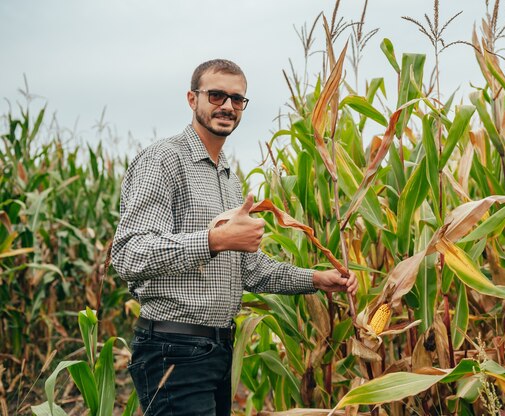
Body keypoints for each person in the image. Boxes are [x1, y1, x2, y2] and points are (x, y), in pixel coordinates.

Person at [111, 59, 357, 416]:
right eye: (216, 95)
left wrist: (317, 279)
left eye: (236, 99)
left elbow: (249, 270)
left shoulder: (230, 177)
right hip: (173, 348)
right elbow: (130, 255)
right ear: (192, 99)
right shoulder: (163, 161)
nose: (227, 106)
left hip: (218, 350)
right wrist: (215, 240)